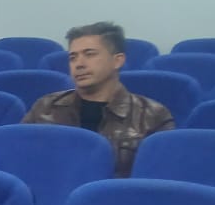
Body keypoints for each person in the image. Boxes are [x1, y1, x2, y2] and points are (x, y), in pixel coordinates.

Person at [24, 21, 174, 176]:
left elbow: (158, 176)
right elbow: (21, 158)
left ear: (117, 60)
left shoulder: (152, 116)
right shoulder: (46, 107)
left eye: (89, 54)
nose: (79, 64)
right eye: (73, 57)